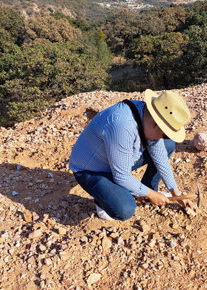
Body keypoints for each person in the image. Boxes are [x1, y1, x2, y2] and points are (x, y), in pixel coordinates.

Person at [69, 89, 193, 221]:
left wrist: (177, 193)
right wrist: (151, 195)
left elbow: (160, 156)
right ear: (155, 124)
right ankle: (102, 202)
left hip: (115, 159)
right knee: (125, 209)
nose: (164, 137)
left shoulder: (146, 115)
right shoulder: (122, 126)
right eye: (165, 134)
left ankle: (146, 189)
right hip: (91, 170)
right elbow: (121, 176)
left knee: (168, 146)